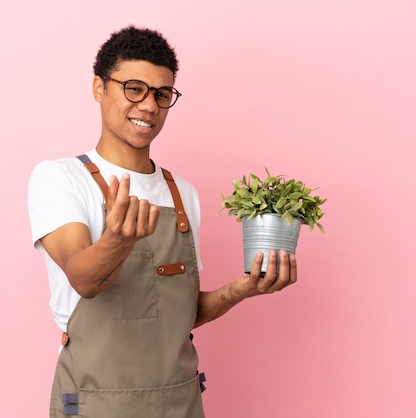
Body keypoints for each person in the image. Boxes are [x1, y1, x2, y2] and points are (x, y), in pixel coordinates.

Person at [28, 25, 297, 418]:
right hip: (97, 401)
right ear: (99, 88)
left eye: (162, 94)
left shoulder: (181, 192)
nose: (149, 105)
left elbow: (178, 313)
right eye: (133, 88)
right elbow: (81, 278)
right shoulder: (60, 177)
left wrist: (240, 290)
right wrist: (118, 240)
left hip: (180, 401)